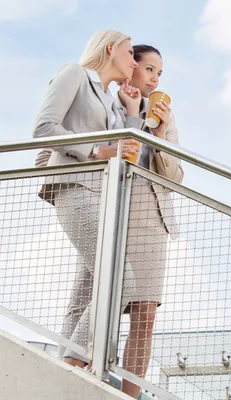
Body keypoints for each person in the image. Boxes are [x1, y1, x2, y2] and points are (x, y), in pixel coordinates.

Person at [32, 30, 145, 396]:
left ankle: (60, 373)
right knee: (121, 277)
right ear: (110, 48)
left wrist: (130, 112)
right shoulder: (74, 75)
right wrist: (97, 150)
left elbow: (127, 152)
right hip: (76, 187)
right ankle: (72, 364)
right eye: (130, 53)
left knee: (85, 293)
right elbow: (44, 128)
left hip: (105, 197)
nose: (134, 61)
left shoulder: (112, 101)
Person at [114, 44, 183, 398]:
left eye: (160, 73)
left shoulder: (165, 116)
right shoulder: (111, 103)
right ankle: (88, 372)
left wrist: (159, 134)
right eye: (149, 69)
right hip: (114, 210)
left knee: (145, 313)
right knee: (105, 302)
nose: (155, 78)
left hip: (153, 218)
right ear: (131, 67)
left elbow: (176, 176)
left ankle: (128, 394)